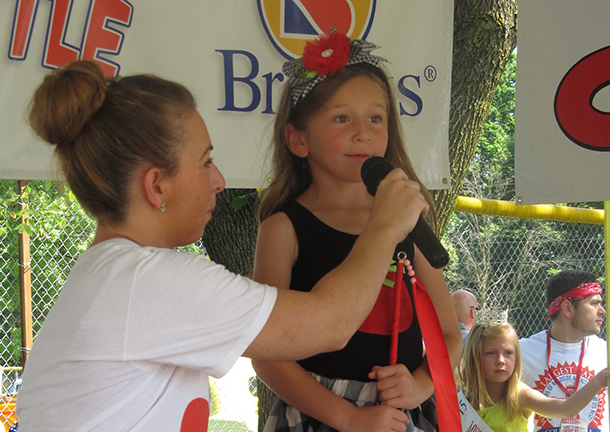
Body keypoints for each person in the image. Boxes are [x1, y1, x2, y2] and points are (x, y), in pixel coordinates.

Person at [15, 60, 431, 431]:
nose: (218, 179)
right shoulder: (150, 281)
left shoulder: (124, 275)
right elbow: (331, 324)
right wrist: (384, 227)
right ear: (156, 184)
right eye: (205, 160)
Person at [251, 30, 461, 432]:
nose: (362, 132)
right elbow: (268, 355)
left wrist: (418, 386)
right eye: (341, 118)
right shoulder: (284, 229)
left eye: (375, 118)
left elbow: (450, 334)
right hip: (321, 416)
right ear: (298, 139)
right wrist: (349, 418)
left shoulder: (406, 221)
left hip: (401, 417)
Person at [458, 322, 609, 432]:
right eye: (491, 353)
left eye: (508, 353)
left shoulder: (519, 395)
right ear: (475, 358)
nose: (500, 360)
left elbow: (565, 409)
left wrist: (597, 381)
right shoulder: (463, 399)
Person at [519, 270, 609, 431]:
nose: (602, 311)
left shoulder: (605, 352)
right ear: (567, 308)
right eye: (594, 303)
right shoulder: (519, 352)